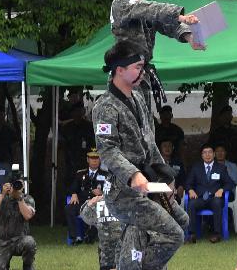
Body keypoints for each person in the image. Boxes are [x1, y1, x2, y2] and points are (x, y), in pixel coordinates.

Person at [92, 40, 185, 269]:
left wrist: (166, 177)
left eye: (143, 67)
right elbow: (108, 150)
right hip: (122, 193)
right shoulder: (105, 106)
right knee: (174, 234)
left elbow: (149, 142)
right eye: (137, 67)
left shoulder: (138, 99)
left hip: (148, 183)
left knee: (182, 220)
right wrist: (133, 175)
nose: (142, 72)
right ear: (119, 70)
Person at [109, 0, 204, 122]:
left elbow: (167, 25)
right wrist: (180, 15)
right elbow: (151, 10)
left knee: (145, 124)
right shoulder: (120, 3)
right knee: (129, 123)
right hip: (125, 73)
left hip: (141, 73)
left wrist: (191, 38)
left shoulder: (143, 6)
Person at [185, 143, 234, 243]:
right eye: (205, 153)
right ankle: (192, 234)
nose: (207, 155)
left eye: (210, 152)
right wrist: (190, 190)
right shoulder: (196, 168)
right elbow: (188, 183)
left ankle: (217, 234)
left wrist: (221, 190)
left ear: (214, 154)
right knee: (191, 204)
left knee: (217, 203)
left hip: (214, 198)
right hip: (200, 198)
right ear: (202, 155)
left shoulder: (221, 168)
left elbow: (229, 183)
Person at [0, 181, 37, 270]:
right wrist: (2, 194)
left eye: (19, 185)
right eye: (14, 185)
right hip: (3, 241)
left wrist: (19, 198)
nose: (16, 188)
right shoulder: (2, 198)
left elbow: (28, 215)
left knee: (30, 242)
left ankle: (28, 266)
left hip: (20, 240)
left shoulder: (27, 198)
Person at [66, 148, 109, 245]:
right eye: (92, 158)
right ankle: (74, 238)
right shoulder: (80, 174)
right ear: (87, 159)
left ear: (100, 159)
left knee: (101, 211)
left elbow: (111, 191)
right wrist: (73, 193)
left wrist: (102, 193)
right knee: (69, 208)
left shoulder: (106, 175)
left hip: (97, 204)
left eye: (96, 158)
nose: (94, 160)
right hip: (82, 203)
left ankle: (90, 237)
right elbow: (71, 188)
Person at [79, 194, 123, 270]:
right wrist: (90, 204)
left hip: (123, 252)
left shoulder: (129, 200)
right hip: (106, 254)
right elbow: (86, 217)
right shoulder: (98, 201)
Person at [60, 102, 96, 183]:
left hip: (85, 160)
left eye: (79, 111)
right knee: (70, 183)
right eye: (75, 111)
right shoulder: (67, 127)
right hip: (71, 160)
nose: (77, 113)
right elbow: (63, 142)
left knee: (85, 183)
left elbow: (93, 143)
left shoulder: (89, 126)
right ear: (72, 113)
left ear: (83, 111)